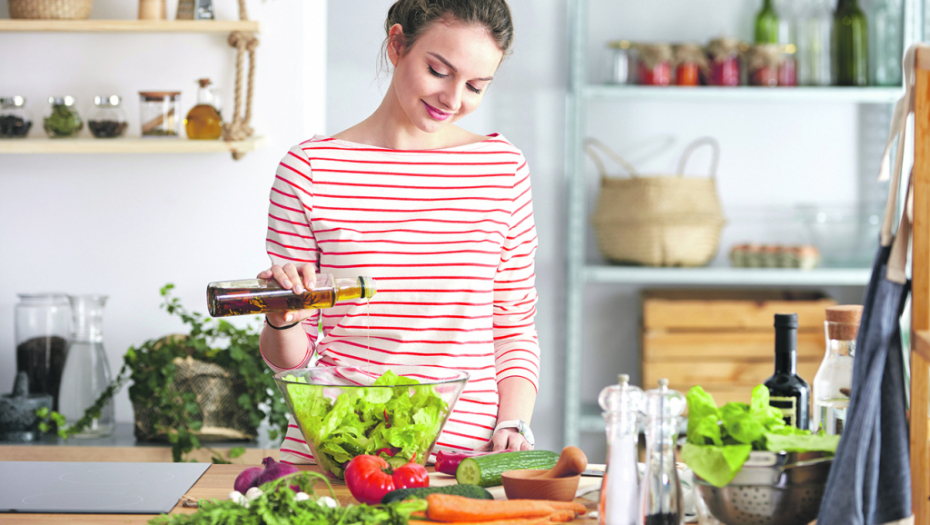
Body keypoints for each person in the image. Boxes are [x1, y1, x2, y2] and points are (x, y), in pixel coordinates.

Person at [258, 0, 539, 465]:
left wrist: (513, 423)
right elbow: (290, 360)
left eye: (475, 85)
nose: (453, 99)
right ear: (396, 44)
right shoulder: (309, 171)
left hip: (461, 462)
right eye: (438, 70)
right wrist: (281, 317)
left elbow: (513, 327)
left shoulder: (501, 170)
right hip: (339, 450)